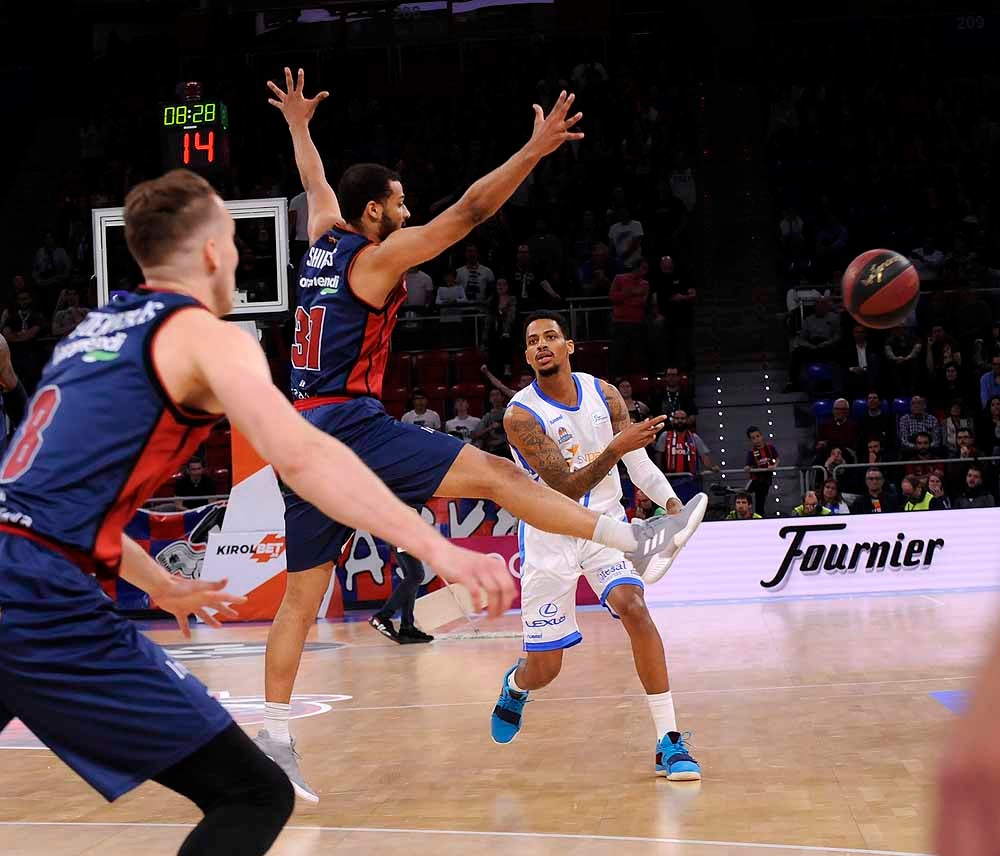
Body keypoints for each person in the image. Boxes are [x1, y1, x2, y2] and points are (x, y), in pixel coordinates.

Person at [0, 169, 515, 856]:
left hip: (16, 559)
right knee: (254, 794)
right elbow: (304, 457)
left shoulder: (89, 334)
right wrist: (440, 548)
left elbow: (41, 503)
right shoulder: (207, 337)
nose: (240, 256)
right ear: (213, 251)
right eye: (235, 241)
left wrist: (160, 585)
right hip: (35, 599)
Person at [264, 69, 689, 800]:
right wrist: (534, 151)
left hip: (295, 437)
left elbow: (316, 181)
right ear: (375, 211)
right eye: (397, 201)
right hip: (346, 425)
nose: (407, 208)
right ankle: (635, 541)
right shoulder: (375, 258)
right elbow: (467, 212)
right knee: (502, 478)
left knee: (299, 601)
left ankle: (272, 743)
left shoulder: (322, 239)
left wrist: (300, 127)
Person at [491, 311, 707, 780]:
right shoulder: (521, 416)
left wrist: (672, 506)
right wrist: (614, 448)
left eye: (551, 336)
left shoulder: (603, 394)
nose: (542, 344)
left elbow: (639, 463)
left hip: (605, 527)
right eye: (533, 341)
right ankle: (516, 684)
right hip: (549, 534)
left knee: (634, 606)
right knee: (546, 669)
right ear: (528, 357)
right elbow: (564, 490)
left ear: (569, 346)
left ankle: (668, 740)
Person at [369, 548, 433, 644]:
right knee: (416, 575)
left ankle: (407, 627)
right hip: (404, 536)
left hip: (400, 536)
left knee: (412, 576)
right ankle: (383, 616)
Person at [745, 426, 779, 516]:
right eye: (753, 438)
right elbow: (748, 465)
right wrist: (747, 467)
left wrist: (774, 465)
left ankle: (759, 516)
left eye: (758, 436)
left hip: (766, 479)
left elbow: (777, 458)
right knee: (754, 498)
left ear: (761, 436)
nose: (757, 439)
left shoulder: (770, 447)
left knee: (761, 500)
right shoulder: (751, 452)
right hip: (756, 479)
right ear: (750, 440)